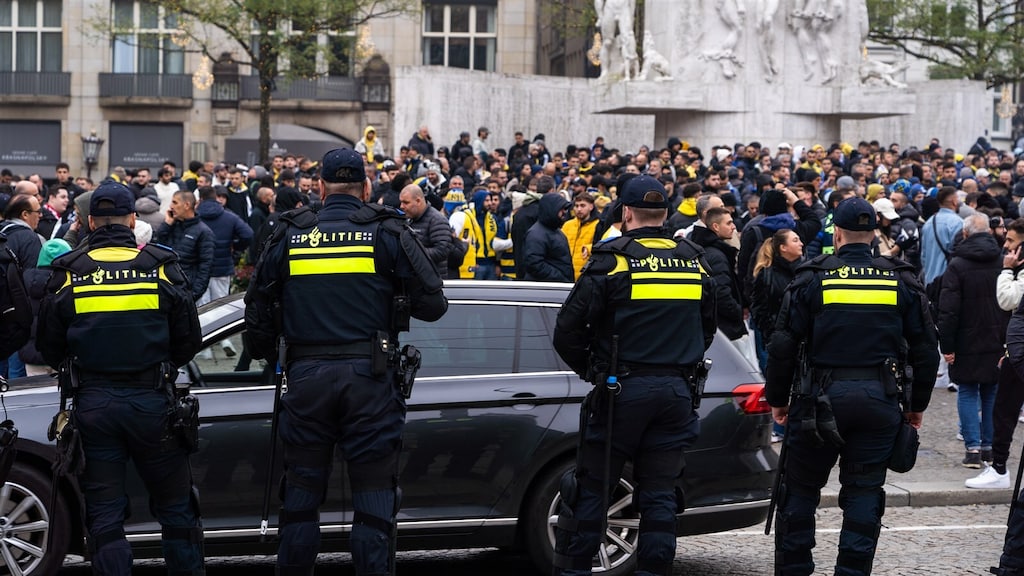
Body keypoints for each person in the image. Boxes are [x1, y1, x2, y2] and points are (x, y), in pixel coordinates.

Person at [244, 147, 448, 576]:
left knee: (300, 498)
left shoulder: (288, 230)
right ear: (367, 187)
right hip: (370, 379)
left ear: (319, 186)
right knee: (374, 500)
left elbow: (257, 312)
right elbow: (434, 304)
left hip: (306, 378)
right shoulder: (388, 230)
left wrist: (277, 356)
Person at [37, 180, 204, 576]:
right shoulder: (162, 267)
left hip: (94, 405)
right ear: (132, 220)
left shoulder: (68, 273)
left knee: (105, 515)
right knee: (178, 508)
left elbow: (48, 347)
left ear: (91, 221)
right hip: (153, 403)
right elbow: (189, 340)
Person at [551, 173, 714, 576]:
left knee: (590, 491)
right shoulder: (694, 260)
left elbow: (567, 331)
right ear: (665, 214)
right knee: (660, 496)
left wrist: (593, 368)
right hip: (676, 391)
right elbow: (708, 329)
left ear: (625, 213)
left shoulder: (613, 259)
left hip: (621, 390)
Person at [766, 196, 939, 576]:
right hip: (878, 401)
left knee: (800, 492)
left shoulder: (813, 276)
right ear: (875, 233)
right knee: (864, 494)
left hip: (817, 402)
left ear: (838, 234)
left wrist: (778, 400)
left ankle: (795, 569)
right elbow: (927, 349)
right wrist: (917, 406)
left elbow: (781, 346)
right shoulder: (900, 278)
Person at [937, 214, 1008, 468]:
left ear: (965, 235)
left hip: (966, 338)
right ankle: (988, 447)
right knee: (991, 392)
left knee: (967, 390)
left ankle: (973, 449)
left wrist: (947, 345)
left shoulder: (957, 265)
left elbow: (948, 310)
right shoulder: (1002, 261)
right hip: (997, 336)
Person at [750, 228, 804, 442]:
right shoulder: (767, 274)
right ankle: (780, 429)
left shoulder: (805, 271)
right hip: (778, 340)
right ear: (783, 247)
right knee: (778, 381)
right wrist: (773, 335)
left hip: (801, 339)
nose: (800, 243)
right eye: (795, 240)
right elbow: (759, 308)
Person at [155, 190, 215, 301]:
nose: (171, 206)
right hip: (167, 288)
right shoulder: (172, 225)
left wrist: (193, 295)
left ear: (186, 205)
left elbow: (205, 267)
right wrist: (167, 224)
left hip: (187, 292)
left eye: (175, 202)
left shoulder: (203, 232)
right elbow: (158, 247)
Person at [399, 184, 452, 278]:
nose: (401, 206)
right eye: (401, 202)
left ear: (418, 201)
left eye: (406, 203)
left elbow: (442, 251)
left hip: (432, 281)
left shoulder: (437, 220)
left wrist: (412, 253)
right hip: (416, 279)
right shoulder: (409, 219)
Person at [522, 192, 574, 282]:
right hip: (545, 289)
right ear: (552, 209)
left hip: (557, 287)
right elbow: (535, 264)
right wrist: (561, 279)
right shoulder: (536, 234)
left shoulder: (556, 231)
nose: (565, 212)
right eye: (561, 209)